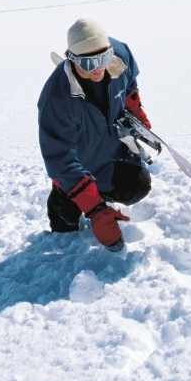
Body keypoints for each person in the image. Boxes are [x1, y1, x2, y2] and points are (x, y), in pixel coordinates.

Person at [38, 18, 153, 252]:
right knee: (65, 234)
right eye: (88, 63)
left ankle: (96, 193)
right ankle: (67, 195)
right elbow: (60, 160)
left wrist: (136, 112)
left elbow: (129, 85)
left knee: (136, 186)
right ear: (71, 58)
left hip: (107, 151)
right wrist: (96, 212)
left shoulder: (120, 55)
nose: (98, 69)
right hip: (73, 165)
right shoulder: (56, 101)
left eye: (103, 59)